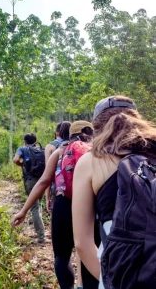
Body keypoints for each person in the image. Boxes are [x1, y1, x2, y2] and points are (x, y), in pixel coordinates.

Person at [72, 95, 156, 289]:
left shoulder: (91, 161)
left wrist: (112, 279)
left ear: (97, 127)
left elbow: (82, 243)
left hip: (121, 273)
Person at [12, 121, 98, 289]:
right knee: (90, 251)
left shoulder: (59, 152)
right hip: (92, 207)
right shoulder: (97, 152)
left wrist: (23, 211)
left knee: (62, 256)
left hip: (63, 205)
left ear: (70, 135)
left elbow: (44, 181)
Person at [13, 133, 45, 244]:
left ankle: (41, 237)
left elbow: (15, 159)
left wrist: (21, 164)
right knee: (38, 205)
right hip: (42, 181)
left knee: (34, 207)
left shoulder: (23, 148)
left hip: (31, 181)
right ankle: (42, 232)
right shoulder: (41, 149)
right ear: (35, 141)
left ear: (25, 141)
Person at [45, 121, 71, 213]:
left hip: (57, 188)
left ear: (57, 132)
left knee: (59, 220)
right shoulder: (76, 144)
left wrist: (47, 198)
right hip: (75, 187)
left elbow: (48, 174)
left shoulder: (51, 146)